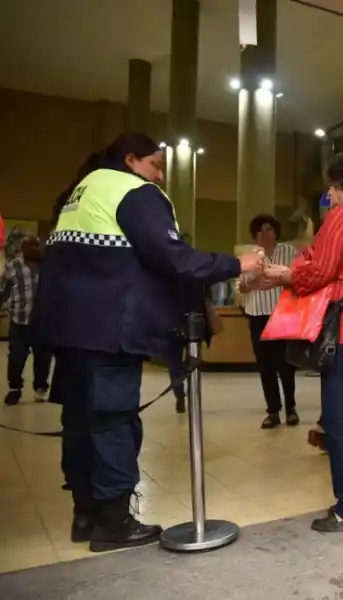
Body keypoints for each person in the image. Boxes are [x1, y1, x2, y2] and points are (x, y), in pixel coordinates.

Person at [31, 132, 265, 552]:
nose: (159, 176)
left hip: (67, 330)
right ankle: (115, 522)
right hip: (108, 330)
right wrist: (236, 263)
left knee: (80, 422)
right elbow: (174, 257)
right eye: (155, 165)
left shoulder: (79, 192)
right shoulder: (133, 191)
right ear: (132, 159)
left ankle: (85, 516)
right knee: (114, 420)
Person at [260, 153, 343, 533]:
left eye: (333, 188)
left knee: (340, 420)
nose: (329, 196)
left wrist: (287, 273)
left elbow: (318, 271)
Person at [238, 214, 299, 429]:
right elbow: (241, 287)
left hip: (282, 314)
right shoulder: (250, 256)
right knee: (266, 366)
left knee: (286, 364)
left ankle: (291, 408)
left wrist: (275, 277)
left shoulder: (288, 252)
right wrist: (252, 277)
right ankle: (273, 411)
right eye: (260, 231)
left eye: (269, 229)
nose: (265, 234)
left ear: (276, 232)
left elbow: (298, 278)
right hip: (257, 315)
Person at [2, 235, 52, 405]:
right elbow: (4, 290)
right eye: (30, 246)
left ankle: (40, 388)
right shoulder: (12, 266)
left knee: (43, 357)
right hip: (19, 321)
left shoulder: (48, 266)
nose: (35, 249)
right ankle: (15, 389)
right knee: (16, 357)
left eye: (37, 245)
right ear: (23, 249)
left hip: (43, 321)